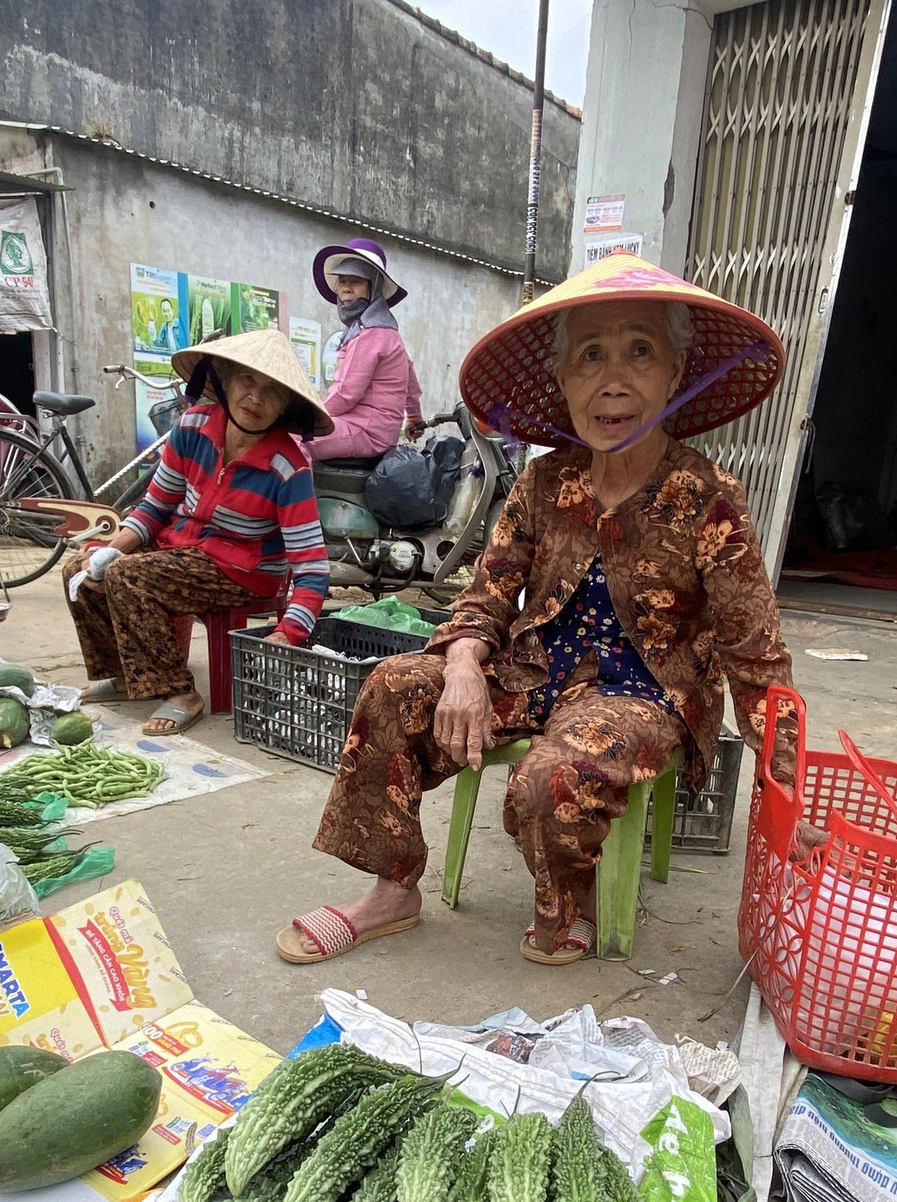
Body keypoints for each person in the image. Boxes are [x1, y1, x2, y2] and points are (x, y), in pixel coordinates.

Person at [279, 252, 799, 966]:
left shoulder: (708, 494)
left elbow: (755, 652)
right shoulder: (542, 481)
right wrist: (462, 660)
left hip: (642, 692)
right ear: (562, 380)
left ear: (675, 372)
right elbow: (487, 592)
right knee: (394, 686)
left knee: (552, 776)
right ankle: (392, 888)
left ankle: (567, 902)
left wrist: (791, 794)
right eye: (590, 355)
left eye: (639, 351)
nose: (613, 380)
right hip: (536, 671)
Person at [63, 327, 331, 736]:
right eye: (246, 380)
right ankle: (122, 674)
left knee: (129, 577)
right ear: (223, 379)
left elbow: (312, 568)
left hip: (243, 571)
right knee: (79, 572)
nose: (255, 398)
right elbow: (154, 506)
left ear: (286, 406)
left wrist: (287, 634)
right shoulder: (190, 428)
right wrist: (109, 548)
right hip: (181, 550)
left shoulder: (288, 468)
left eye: (272, 391)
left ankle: (180, 691)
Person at [308, 237, 422, 461]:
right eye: (342, 281)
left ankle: (298, 497)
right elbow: (410, 381)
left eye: (356, 281)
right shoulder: (388, 332)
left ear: (373, 286)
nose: (346, 289)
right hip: (375, 430)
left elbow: (345, 394)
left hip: (366, 430)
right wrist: (414, 416)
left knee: (290, 440)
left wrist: (310, 416)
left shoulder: (370, 333)